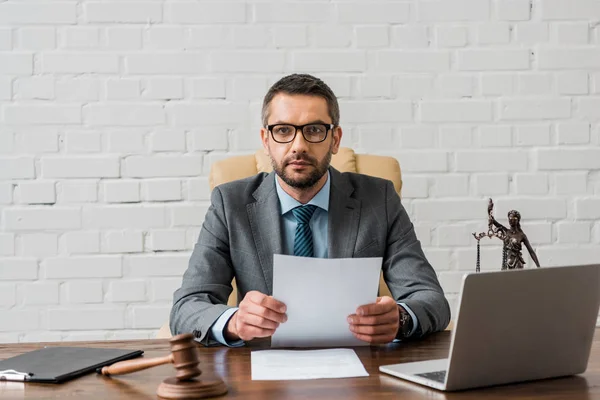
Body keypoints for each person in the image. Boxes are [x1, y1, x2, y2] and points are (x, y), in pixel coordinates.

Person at [170, 73, 450, 347]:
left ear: (335, 139)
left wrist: (401, 319)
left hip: (358, 366)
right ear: (266, 140)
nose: (299, 146)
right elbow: (187, 307)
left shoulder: (379, 199)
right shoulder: (230, 203)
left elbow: (430, 299)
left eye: (314, 130)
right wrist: (234, 322)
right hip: (263, 370)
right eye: (283, 131)